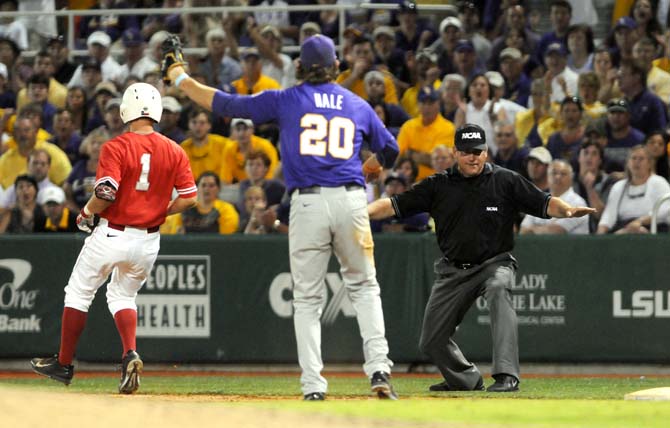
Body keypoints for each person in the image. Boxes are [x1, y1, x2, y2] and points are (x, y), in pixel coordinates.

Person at [162, 33, 399, 400]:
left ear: (300, 68)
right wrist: (373, 165)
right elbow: (391, 148)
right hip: (351, 201)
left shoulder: (286, 99)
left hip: (307, 205)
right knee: (365, 288)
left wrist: (180, 78)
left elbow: (225, 103)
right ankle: (379, 370)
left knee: (306, 299)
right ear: (337, 67)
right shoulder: (357, 104)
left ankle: (313, 386)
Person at [367, 123, 594, 393]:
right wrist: (360, 212)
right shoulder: (437, 184)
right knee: (431, 341)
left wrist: (566, 210)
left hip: (494, 263)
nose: (472, 156)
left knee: (499, 289)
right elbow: (394, 205)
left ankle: (507, 375)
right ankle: (465, 379)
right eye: (465, 151)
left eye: (477, 151)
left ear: (486, 152)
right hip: (453, 271)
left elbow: (544, 202)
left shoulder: (506, 180)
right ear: (455, 153)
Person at [30, 83, 198, 394]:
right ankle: (129, 353)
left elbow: (106, 191)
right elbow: (189, 198)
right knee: (123, 297)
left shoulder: (117, 146)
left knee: (78, 293)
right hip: (148, 240)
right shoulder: (175, 149)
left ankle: (64, 364)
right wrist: (160, 211)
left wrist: (85, 212)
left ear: (126, 110)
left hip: (112, 232)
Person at [597, 145, 670, 234]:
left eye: (641, 159)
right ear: (628, 163)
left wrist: (640, 222)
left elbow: (664, 210)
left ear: (649, 163)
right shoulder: (619, 186)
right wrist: (600, 236)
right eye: (633, 158)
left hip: (654, 230)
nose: (636, 162)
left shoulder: (659, 182)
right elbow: (608, 216)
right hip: (623, 229)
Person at [397, 86, 455, 181]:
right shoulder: (408, 126)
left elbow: (437, 162)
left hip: (437, 181)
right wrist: (422, 157)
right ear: (418, 105)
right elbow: (399, 157)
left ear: (438, 104)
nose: (427, 107)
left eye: (431, 103)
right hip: (409, 182)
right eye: (423, 103)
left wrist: (410, 154)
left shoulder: (448, 128)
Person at [520, 160, 589, 235]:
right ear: (547, 177)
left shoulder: (578, 203)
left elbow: (556, 231)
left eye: (563, 174)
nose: (558, 177)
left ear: (571, 179)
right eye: (554, 173)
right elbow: (523, 230)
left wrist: (533, 229)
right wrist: (541, 229)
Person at [174, 171, 239, 234]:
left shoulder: (226, 209)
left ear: (219, 189)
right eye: (203, 185)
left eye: (211, 186)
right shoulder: (185, 208)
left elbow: (226, 238)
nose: (207, 189)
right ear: (197, 188)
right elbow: (176, 231)